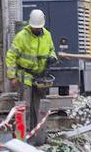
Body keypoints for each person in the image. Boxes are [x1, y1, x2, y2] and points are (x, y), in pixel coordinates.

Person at [8, 9, 57, 141]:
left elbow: (51, 50)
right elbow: (11, 56)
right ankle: (23, 137)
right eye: (34, 27)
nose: (36, 30)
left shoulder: (47, 35)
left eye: (38, 27)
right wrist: (12, 76)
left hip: (40, 76)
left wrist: (52, 57)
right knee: (25, 108)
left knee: (40, 108)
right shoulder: (22, 36)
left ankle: (40, 135)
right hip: (25, 76)